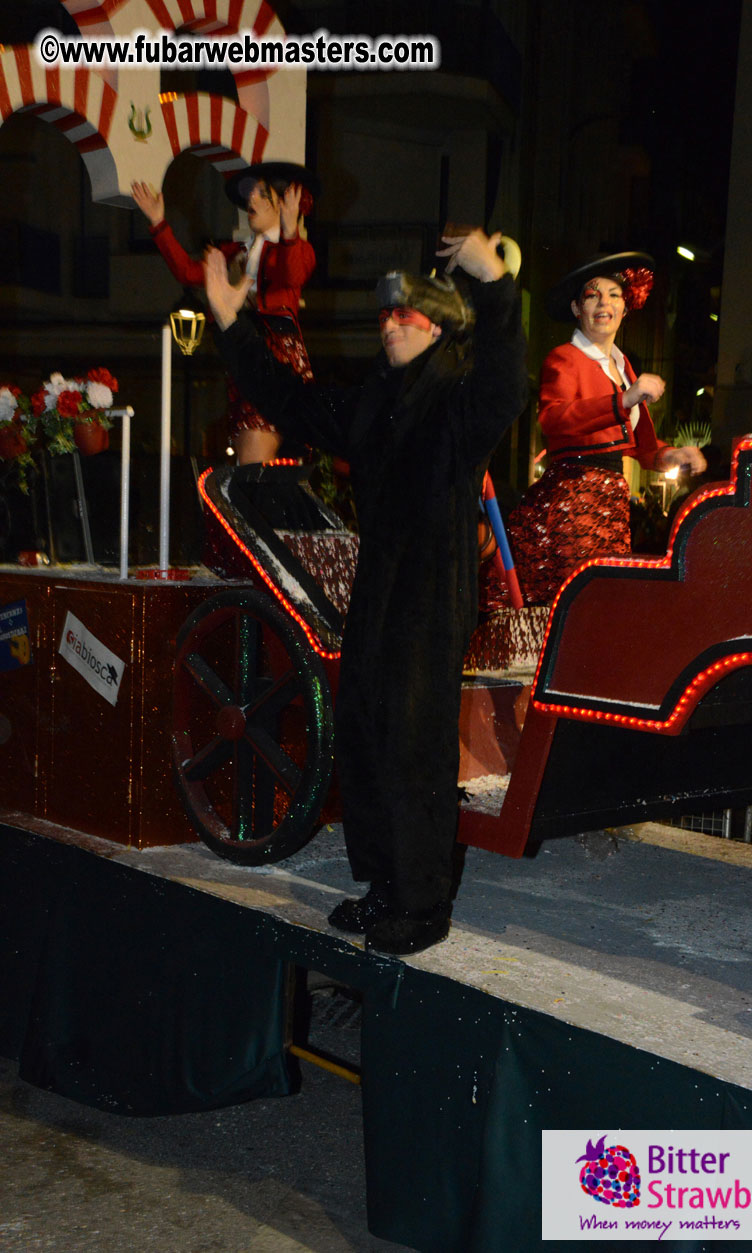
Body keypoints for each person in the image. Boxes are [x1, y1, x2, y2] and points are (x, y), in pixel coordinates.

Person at [204, 229, 528, 954]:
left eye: (405, 315)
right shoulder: (377, 401)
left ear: (439, 324)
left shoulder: (457, 400)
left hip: (431, 589)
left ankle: (422, 902)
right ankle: (383, 881)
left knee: (414, 742)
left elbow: (508, 378)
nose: (389, 325)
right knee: (363, 728)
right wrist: (230, 323)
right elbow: (291, 397)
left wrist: (493, 283)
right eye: (384, 316)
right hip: (380, 585)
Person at [482, 253, 706, 609]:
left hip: (612, 507)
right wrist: (625, 398)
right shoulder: (564, 358)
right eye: (592, 295)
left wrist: (672, 455)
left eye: (614, 294)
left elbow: (640, 447)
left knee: (602, 603)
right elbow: (554, 418)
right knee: (581, 603)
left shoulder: (622, 365)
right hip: (573, 502)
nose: (604, 303)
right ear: (576, 308)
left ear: (626, 307)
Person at [131, 161, 317, 464]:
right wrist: (158, 222)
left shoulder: (298, 249)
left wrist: (291, 229)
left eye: (261, 194)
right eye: (250, 195)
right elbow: (188, 272)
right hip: (245, 357)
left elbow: (292, 274)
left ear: (283, 203)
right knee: (256, 469)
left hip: (276, 361)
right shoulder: (236, 252)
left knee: (255, 472)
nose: (250, 201)